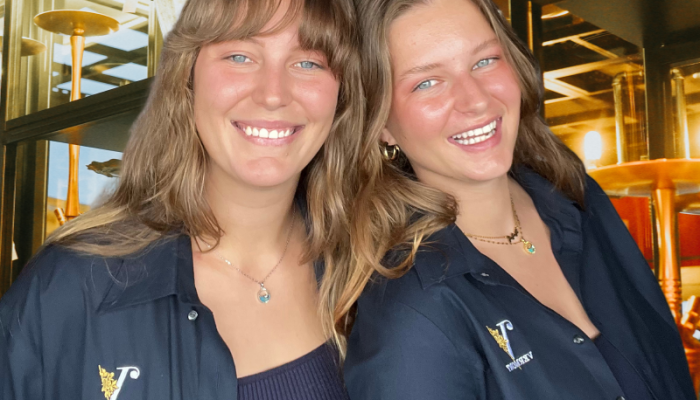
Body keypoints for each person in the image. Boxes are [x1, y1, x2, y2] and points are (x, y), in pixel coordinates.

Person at [0, 0, 362, 399]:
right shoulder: (71, 286)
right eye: (239, 56)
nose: (273, 94)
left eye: (309, 63)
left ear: (343, 94)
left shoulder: (370, 269)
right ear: (187, 77)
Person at [341, 0, 695, 398]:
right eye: (426, 82)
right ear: (381, 124)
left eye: (485, 60)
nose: (476, 100)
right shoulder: (411, 314)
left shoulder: (576, 198)